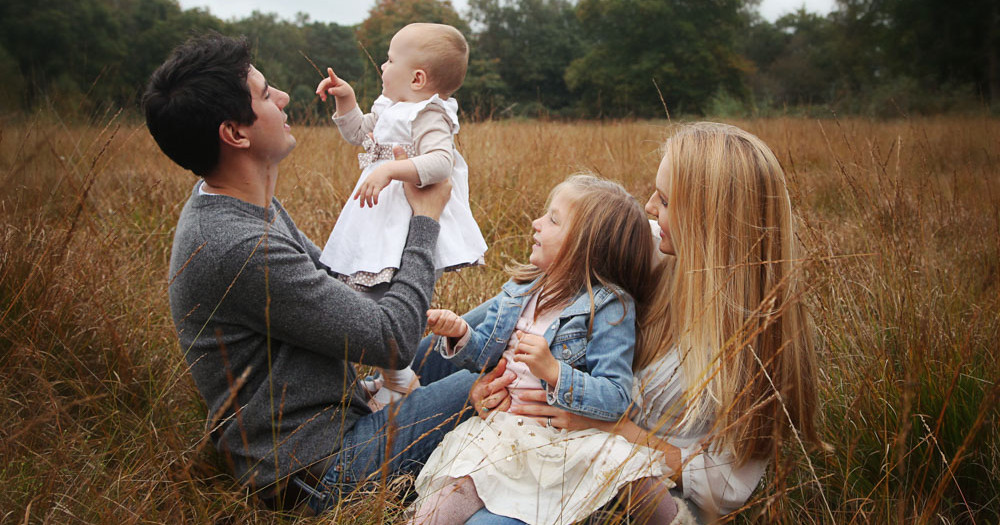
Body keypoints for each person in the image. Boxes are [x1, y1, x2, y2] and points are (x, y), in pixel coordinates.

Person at [143, 33, 486, 514]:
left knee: (489, 328)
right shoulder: (236, 246)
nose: (283, 98)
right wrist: (424, 222)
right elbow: (389, 339)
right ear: (235, 134)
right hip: (316, 468)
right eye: (265, 95)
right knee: (494, 384)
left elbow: (341, 291)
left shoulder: (242, 208)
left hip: (345, 409)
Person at [415, 122, 820, 524]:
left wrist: (613, 427)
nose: (649, 207)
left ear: (706, 223)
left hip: (638, 485)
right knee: (534, 291)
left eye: (664, 199)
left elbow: (726, 487)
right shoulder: (655, 245)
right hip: (549, 425)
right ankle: (393, 382)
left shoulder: (761, 344)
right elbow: (558, 280)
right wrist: (487, 384)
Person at [409, 175, 675, 525]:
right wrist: (460, 335)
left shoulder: (609, 307)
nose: (536, 223)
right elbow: (485, 354)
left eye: (552, 219)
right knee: (436, 509)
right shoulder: (521, 290)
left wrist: (555, 372)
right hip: (503, 432)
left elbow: (615, 396)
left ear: (584, 247)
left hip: (566, 436)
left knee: (635, 479)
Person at [315, 22, 487, 409]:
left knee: (387, 302)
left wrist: (391, 170)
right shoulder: (390, 108)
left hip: (410, 223)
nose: (382, 66)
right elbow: (361, 134)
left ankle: (400, 383)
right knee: (370, 300)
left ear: (418, 77)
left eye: (390, 59)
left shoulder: (429, 114)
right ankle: (393, 379)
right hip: (380, 224)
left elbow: (441, 162)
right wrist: (346, 101)